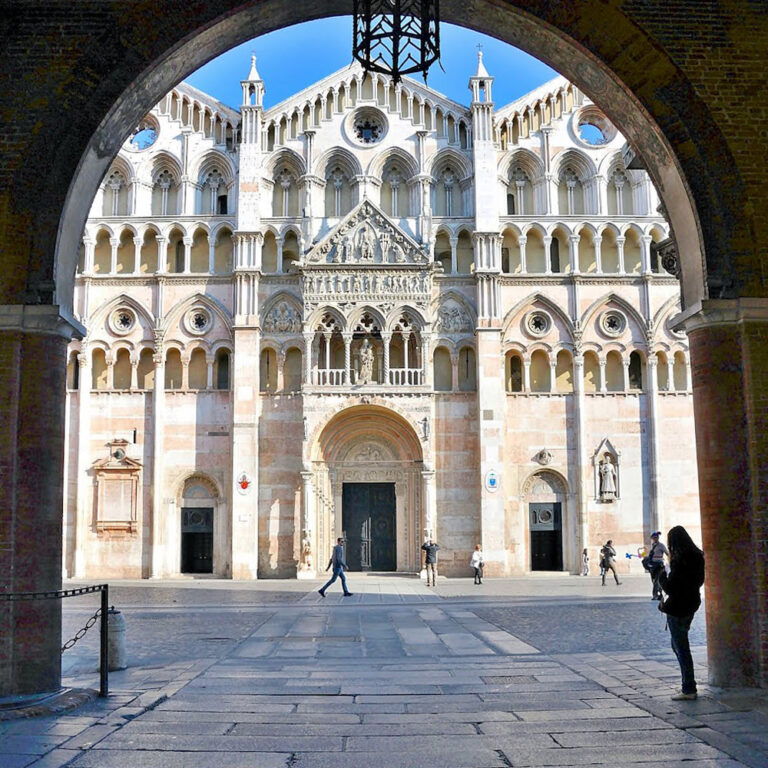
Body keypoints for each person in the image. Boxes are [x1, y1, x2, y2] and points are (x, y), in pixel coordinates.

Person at [658, 525, 705, 700]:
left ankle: (689, 688)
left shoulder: (679, 561)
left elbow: (671, 588)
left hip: (678, 607)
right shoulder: (698, 557)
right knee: (678, 645)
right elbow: (699, 582)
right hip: (692, 604)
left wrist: (661, 577)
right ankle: (688, 685)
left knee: (681, 647)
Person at [646, 531, 669, 600]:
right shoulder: (653, 545)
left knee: (656, 580)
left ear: (658, 538)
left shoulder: (661, 545)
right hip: (653, 565)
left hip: (659, 565)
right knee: (654, 580)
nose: (655, 539)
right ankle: (660, 594)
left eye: (656, 537)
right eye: (654, 538)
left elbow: (667, 553)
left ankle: (655, 595)